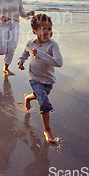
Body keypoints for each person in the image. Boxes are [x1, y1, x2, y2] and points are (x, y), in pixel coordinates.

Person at [17, 14, 63, 143]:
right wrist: (21, 61)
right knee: (44, 102)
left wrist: (40, 55)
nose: (47, 32)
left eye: (49, 28)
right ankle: (47, 129)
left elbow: (59, 62)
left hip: (48, 79)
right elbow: (25, 52)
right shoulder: (30, 43)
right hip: (34, 77)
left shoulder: (53, 45)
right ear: (34, 31)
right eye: (43, 29)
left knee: (40, 96)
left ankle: (27, 97)